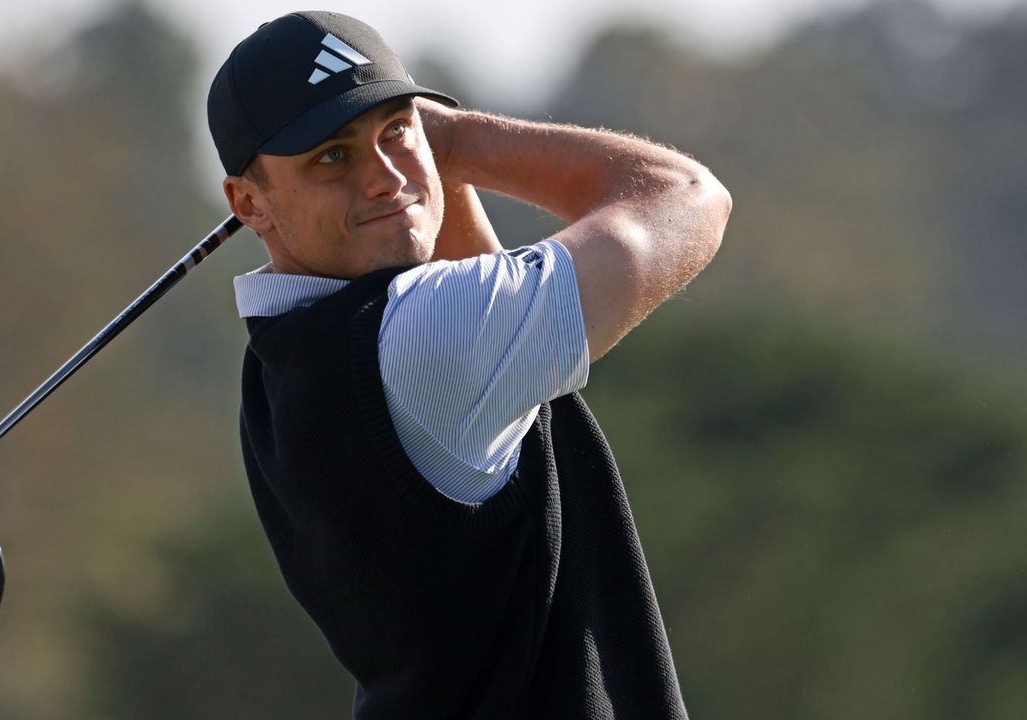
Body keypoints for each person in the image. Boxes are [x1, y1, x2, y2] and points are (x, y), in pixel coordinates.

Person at [207, 10, 731, 719]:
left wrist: (429, 161)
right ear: (249, 203)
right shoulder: (421, 338)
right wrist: (456, 141)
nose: (385, 178)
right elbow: (689, 198)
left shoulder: (286, 359)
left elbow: (462, 280)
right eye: (332, 156)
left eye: (396, 132)